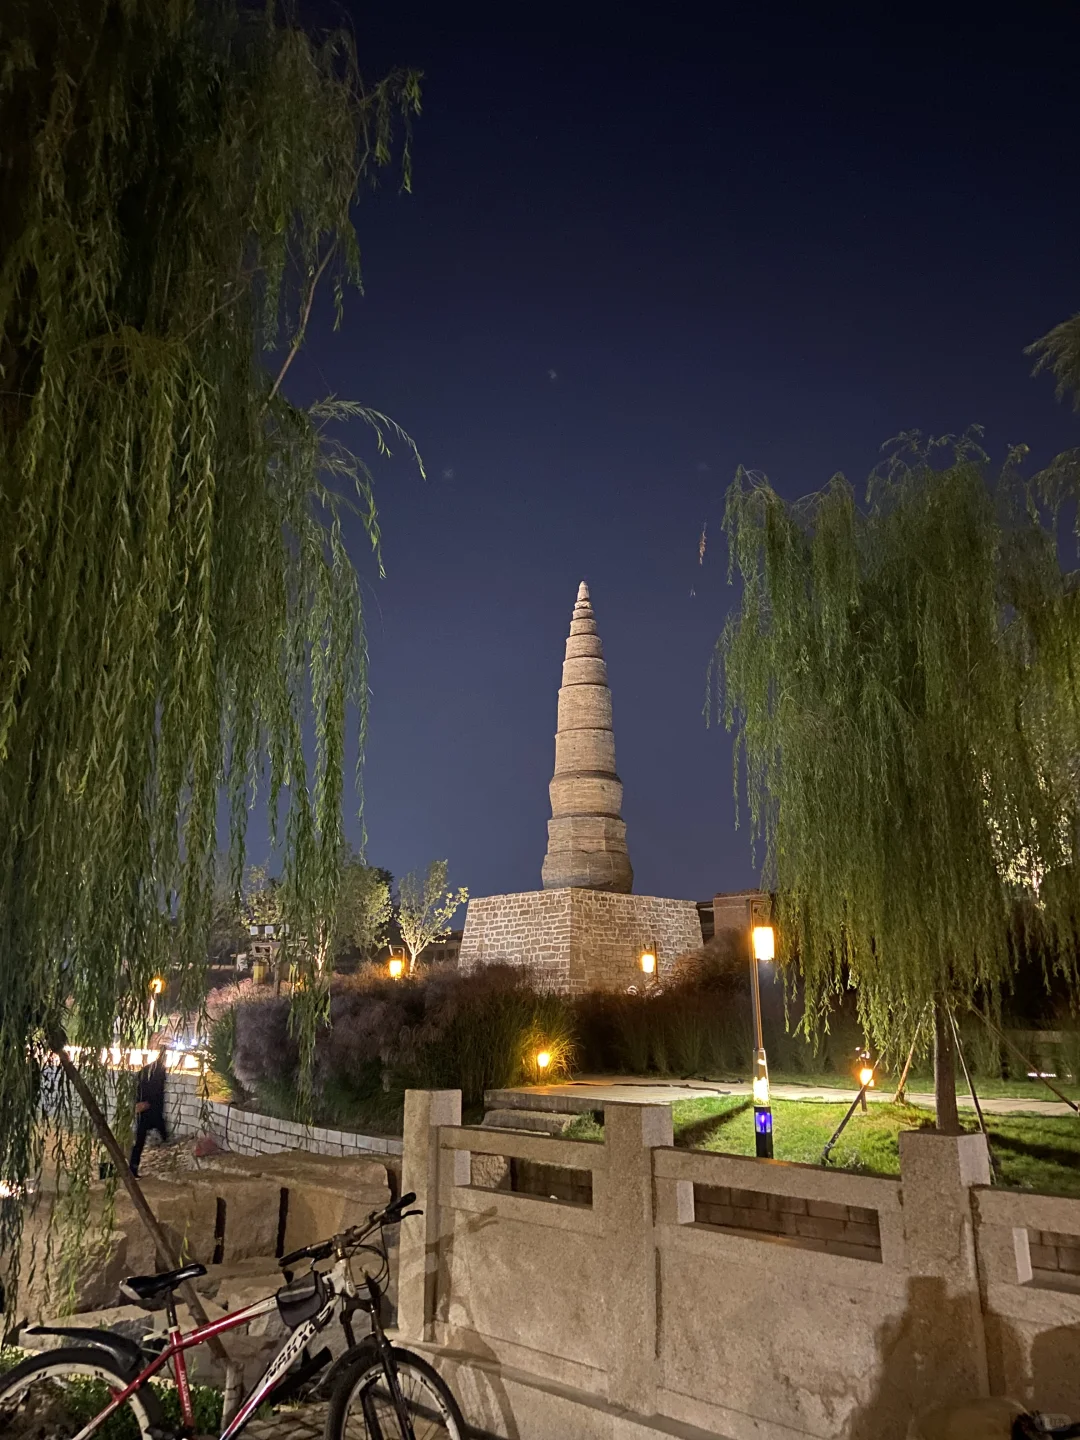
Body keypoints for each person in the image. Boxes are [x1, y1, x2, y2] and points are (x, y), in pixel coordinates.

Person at [129, 1051, 168, 1176]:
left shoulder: (147, 1072)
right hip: (149, 1109)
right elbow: (157, 1092)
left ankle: (133, 1168)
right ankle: (133, 1168)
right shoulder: (158, 1073)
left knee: (139, 1141)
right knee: (142, 1139)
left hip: (145, 1110)